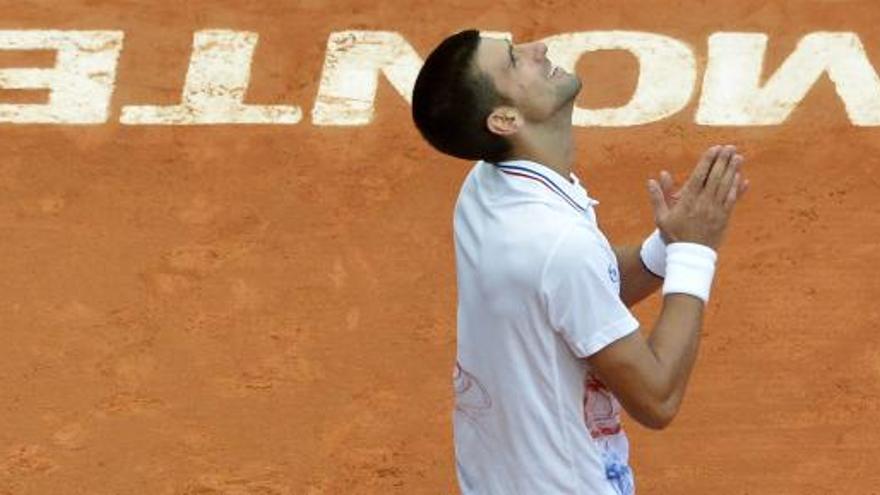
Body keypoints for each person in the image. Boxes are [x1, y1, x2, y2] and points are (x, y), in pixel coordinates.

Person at [411, 29, 750, 495]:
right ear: (505, 119)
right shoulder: (556, 244)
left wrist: (665, 246)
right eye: (514, 60)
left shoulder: (486, 188)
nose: (539, 49)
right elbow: (657, 398)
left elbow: (576, 295)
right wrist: (695, 252)